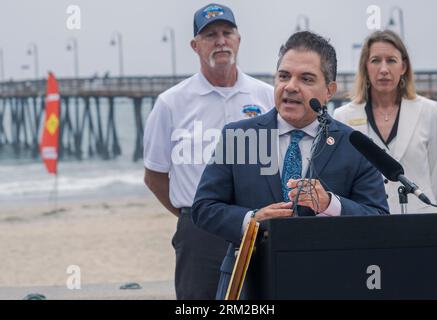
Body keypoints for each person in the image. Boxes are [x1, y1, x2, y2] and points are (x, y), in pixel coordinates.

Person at [192, 31, 389, 258]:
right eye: (284, 76)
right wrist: (252, 220)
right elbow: (204, 208)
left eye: (306, 79)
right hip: (252, 279)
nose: (291, 87)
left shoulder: (355, 145)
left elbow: (379, 218)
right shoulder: (238, 136)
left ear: (329, 91)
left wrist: (330, 204)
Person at [143, 3, 274, 300]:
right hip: (200, 230)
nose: (220, 41)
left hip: (258, 224)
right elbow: (154, 175)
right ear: (195, 45)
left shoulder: (266, 96)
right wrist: (192, 213)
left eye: (227, 33)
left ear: (239, 39)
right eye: (210, 35)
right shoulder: (171, 103)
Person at [334, 30, 437, 214]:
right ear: (365, 66)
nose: (384, 69)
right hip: (368, 223)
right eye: (376, 60)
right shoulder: (343, 117)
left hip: (420, 223)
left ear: (403, 66)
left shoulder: (430, 111)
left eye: (391, 60)